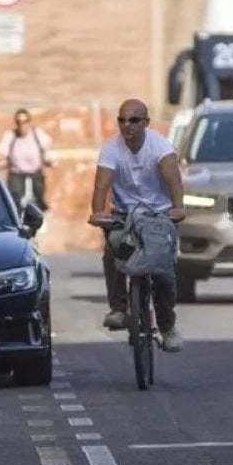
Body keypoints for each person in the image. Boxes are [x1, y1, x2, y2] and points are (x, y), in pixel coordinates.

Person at [88, 99, 186, 352]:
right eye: (122, 120)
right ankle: (119, 309)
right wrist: (98, 212)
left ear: (146, 123)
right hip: (124, 214)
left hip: (159, 215)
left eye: (134, 120)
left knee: (164, 271)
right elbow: (101, 186)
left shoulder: (160, 146)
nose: (127, 125)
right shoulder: (111, 148)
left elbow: (174, 181)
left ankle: (166, 326)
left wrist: (178, 208)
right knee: (112, 253)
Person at [0, 108, 54, 210]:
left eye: (24, 122)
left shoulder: (37, 134)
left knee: (40, 196)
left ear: (29, 122)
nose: (22, 125)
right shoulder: (10, 135)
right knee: (14, 200)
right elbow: (2, 153)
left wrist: (48, 160)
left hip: (35, 173)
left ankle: (41, 214)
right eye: (18, 122)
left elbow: (46, 150)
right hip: (17, 173)